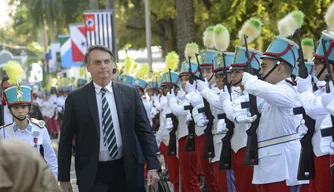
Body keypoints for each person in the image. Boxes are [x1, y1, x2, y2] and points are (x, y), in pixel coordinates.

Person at [58, 45, 161, 192]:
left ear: (113, 64)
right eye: (97, 62)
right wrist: (64, 177)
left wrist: (153, 165)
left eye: (107, 61)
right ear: (88, 67)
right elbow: (65, 140)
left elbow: (144, 131)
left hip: (126, 170)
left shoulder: (130, 93)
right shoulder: (76, 99)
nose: (103, 66)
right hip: (93, 173)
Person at [241, 35, 309, 191]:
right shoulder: (269, 92)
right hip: (267, 164)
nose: (260, 71)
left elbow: (262, 89)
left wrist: (251, 81)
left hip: (282, 166)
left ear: (279, 68)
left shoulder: (287, 90)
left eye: (264, 66)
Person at [0, 83, 58, 178]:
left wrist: (53, 182)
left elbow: (51, 157)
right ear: (10, 110)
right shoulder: (3, 132)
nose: (20, 111)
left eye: (23, 107)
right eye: (16, 107)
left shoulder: (40, 129)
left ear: (29, 108)